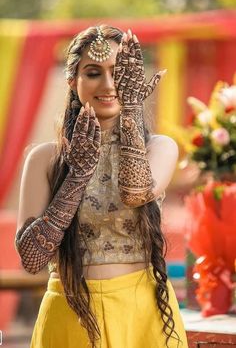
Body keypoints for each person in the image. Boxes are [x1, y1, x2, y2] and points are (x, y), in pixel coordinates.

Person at [15, 24, 188, 348]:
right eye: (93, 72)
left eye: (119, 72)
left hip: (142, 314)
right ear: (73, 81)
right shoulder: (45, 158)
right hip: (69, 314)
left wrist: (133, 109)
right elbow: (32, 259)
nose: (108, 85)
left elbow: (135, 193)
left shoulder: (159, 148)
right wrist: (76, 176)